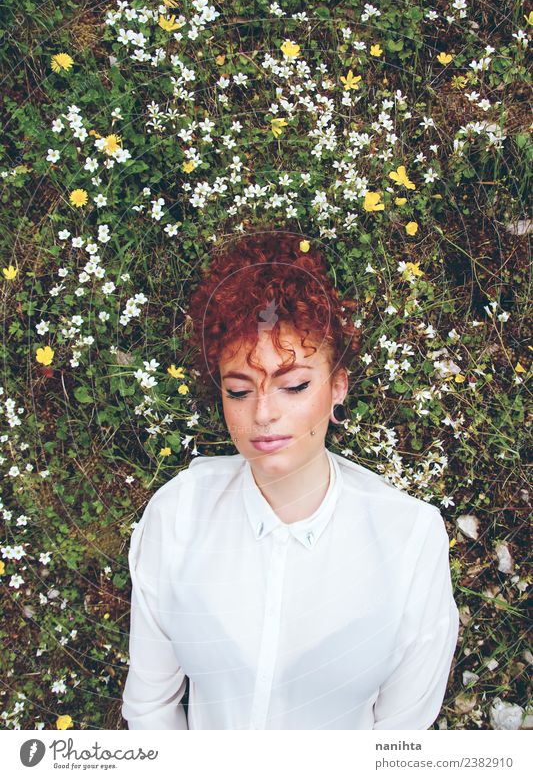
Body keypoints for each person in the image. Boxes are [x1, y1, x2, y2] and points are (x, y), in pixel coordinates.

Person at [121, 231, 460, 730]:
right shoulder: (178, 516)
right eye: (239, 391)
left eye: (294, 385)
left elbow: (399, 738)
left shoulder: (409, 539)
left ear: (337, 386)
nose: (264, 414)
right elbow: (150, 707)